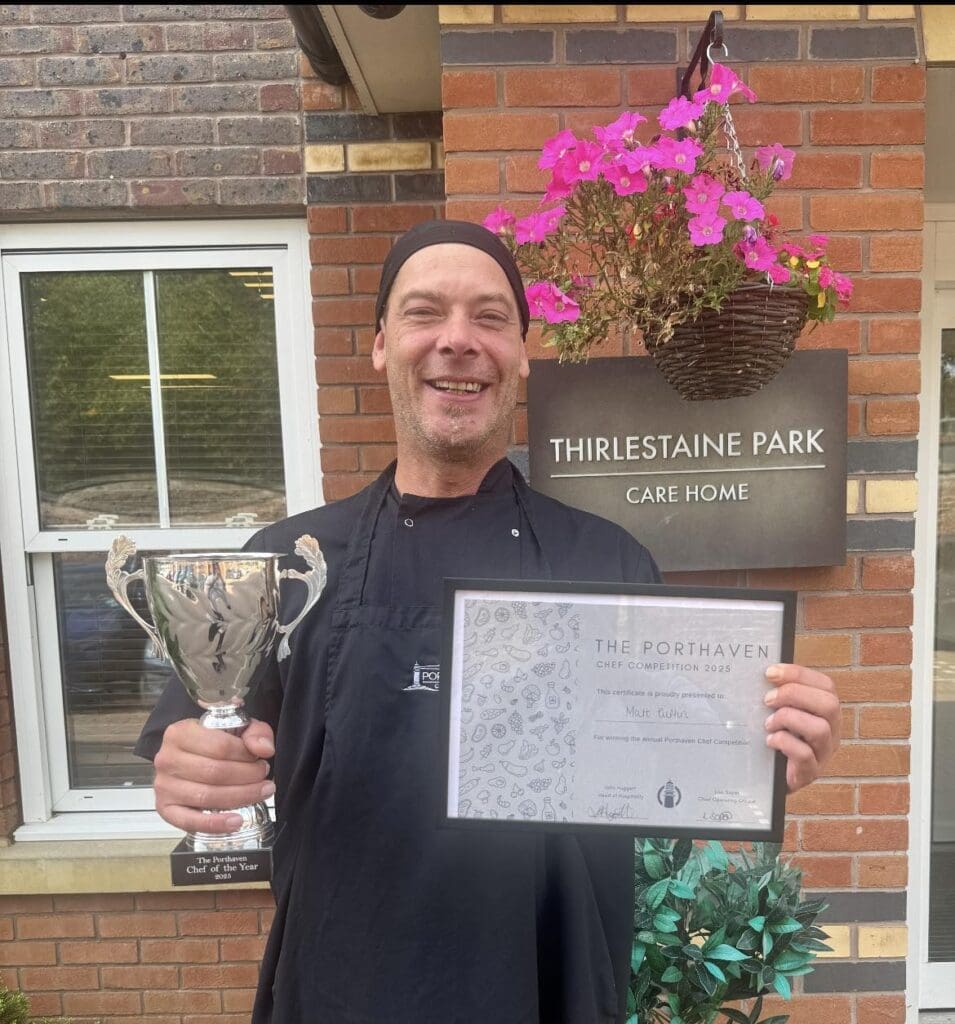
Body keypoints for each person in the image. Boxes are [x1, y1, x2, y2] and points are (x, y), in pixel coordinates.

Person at [135, 220, 840, 1024]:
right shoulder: (285, 564)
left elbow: (680, 746)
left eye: (491, 317)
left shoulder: (607, 562)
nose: (458, 341)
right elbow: (198, 751)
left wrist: (761, 750)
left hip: (550, 977)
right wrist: (189, 773)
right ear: (378, 345)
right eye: (424, 312)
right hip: (340, 981)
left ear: (523, 353)